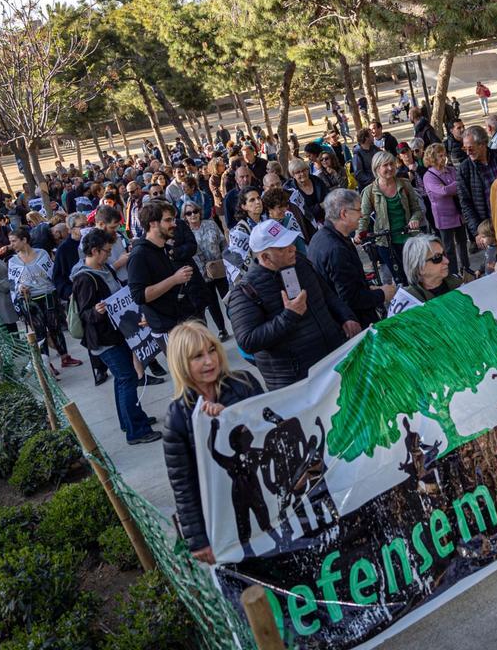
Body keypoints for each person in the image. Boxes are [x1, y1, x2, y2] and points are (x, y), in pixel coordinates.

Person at [162, 321, 265, 564]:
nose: (209, 361)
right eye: (198, 356)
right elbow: (183, 484)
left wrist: (230, 417)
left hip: (264, 488)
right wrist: (197, 539)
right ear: (181, 364)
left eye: (211, 350)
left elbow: (267, 427)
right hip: (221, 511)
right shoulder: (177, 417)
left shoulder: (244, 383)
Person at [227, 219, 360, 387]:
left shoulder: (301, 262)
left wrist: (346, 317)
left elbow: (327, 294)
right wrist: (289, 316)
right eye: (283, 248)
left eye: (290, 242)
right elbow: (248, 341)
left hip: (335, 361)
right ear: (265, 257)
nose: (293, 249)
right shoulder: (245, 291)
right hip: (297, 382)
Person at [73, 230, 161, 445]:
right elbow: (84, 313)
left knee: (123, 379)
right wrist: (97, 311)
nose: (109, 255)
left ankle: (130, 420)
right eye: (106, 251)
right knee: (127, 378)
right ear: (94, 251)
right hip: (104, 341)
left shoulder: (103, 270)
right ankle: (136, 430)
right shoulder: (85, 278)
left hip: (117, 334)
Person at [309, 188, 395, 327]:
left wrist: (368, 288)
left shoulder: (322, 237)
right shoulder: (336, 249)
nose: (362, 215)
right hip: (354, 324)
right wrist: (382, 294)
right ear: (344, 213)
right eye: (358, 210)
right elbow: (349, 298)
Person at [8, 226, 83, 371]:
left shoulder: (42, 253)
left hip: (48, 295)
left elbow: (52, 273)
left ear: (24, 240)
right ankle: (46, 363)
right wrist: (20, 289)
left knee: (55, 327)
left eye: (14, 241)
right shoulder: (13, 262)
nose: (12, 244)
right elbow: (12, 283)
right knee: (39, 332)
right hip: (31, 301)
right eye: (11, 241)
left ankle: (65, 357)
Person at [128, 200, 195, 336]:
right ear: (153, 223)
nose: (174, 224)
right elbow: (139, 296)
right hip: (167, 328)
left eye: (173, 219)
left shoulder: (165, 248)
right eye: (168, 220)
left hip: (185, 318)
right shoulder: (139, 255)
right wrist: (174, 280)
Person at [358, 151, 424, 285]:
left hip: (409, 238)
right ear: (377, 168)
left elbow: (416, 209)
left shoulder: (405, 184)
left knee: (417, 276)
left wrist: (414, 219)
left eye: (392, 164)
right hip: (386, 242)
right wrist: (360, 232)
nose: (390, 168)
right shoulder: (370, 191)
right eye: (385, 165)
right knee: (401, 279)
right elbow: (363, 216)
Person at [422, 143, 473, 278]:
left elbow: (457, 187)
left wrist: (456, 186)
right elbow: (443, 191)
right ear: (432, 158)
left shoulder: (450, 170)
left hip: (458, 214)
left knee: (463, 242)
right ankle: (453, 273)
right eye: (440, 156)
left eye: (444, 155)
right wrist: (458, 184)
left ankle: (466, 269)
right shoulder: (429, 176)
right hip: (443, 217)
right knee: (448, 248)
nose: (444, 158)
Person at [182, 201, 229, 340]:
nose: (193, 215)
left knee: (228, 298)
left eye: (195, 211)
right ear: (184, 216)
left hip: (220, 269)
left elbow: (223, 243)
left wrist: (226, 258)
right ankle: (222, 329)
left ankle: (237, 321)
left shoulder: (210, 224)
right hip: (202, 275)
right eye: (188, 213)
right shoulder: (186, 233)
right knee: (212, 303)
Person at [402, 233, 463, 303]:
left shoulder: (458, 282)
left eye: (443, 254)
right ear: (419, 268)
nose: (447, 261)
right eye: (437, 257)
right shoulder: (409, 301)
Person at [283, 159, 328, 230]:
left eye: (304, 170)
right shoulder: (290, 189)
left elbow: (327, 198)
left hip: (326, 218)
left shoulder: (317, 181)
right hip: (307, 225)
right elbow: (301, 213)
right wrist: (320, 206)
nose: (302, 174)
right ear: (293, 175)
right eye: (298, 172)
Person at [261, 187, 308, 254]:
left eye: (285, 205)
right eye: (280, 207)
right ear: (269, 208)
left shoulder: (290, 219)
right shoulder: (263, 227)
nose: (285, 210)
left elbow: (301, 246)